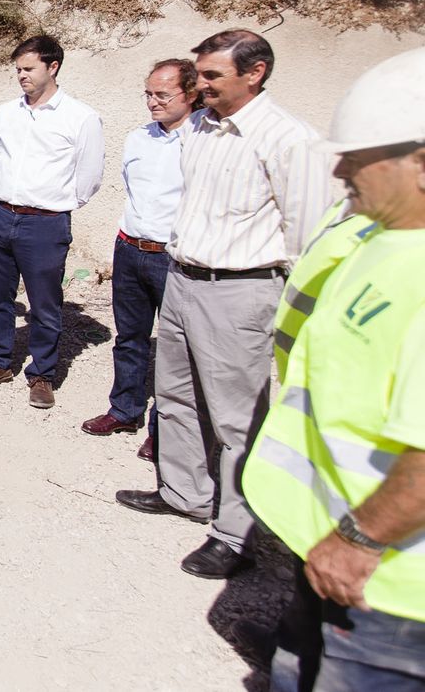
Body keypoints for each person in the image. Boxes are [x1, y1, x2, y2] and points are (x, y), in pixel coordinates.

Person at [116, 29, 333, 579]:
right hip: (184, 279)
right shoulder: (202, 130)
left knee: (238, 420)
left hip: (241, 291)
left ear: (254, 72)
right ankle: (184, 492)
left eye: (212, 75)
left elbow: (308, 234)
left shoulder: (290, 140)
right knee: (176, 396)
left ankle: (235, 534)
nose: (200, 84)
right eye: (200, 74)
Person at [240, 46, 425, 689]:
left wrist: (359, 540)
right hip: (333, 544)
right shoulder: (381, 237)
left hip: (392, 590)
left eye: (360, 153)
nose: (341, 167)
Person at [0, 35, 103, 411]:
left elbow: (88, 178)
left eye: (29, 69)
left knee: (44, 304)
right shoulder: (7, 112)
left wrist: (53, 206)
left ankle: (42, 373)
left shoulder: (81, 117)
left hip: (44, 223)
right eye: (18, 70)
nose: (21, 76)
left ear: (52, 67)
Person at [80, 59, 198, 460]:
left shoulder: (204, 141)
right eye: (148, 93)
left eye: (162, 94)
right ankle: (125, 410)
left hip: (173, 258)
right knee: (129, 338)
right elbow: (132, 191)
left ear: (191, 93)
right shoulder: (139, 139)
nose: (152, 102)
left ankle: (163, 430)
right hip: (130, 248)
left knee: (174, 348)